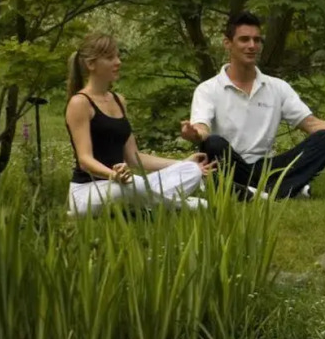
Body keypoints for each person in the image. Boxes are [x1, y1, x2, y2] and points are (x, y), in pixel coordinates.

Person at [180, 12, 325, 199]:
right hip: (230, 165)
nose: (252, 46)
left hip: (267, 167)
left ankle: (260, 192)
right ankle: (284, 189)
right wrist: (196, 134)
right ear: (228, 43)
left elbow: (313, 125)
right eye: (244, 39)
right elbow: (202, 129)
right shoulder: (208, 89)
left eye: (257, 40)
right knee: (214, 144)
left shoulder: (277, 87)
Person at [65, 33, 214, 217]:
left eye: (118, 56)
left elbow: (134, 158)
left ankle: (146, 205)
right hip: (89, 191)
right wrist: (114, 175)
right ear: (91, 64)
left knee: (191, 171)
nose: (118, 62)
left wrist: (182, 162)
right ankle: (185, 205)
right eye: (110, 57)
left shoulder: (119, 100)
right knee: (130, 186)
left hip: (126, 184)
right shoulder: (80, 103)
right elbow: (85, 160)